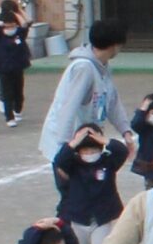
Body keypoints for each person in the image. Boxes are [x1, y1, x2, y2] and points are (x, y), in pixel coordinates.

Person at [39, 20, 127, 159]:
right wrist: (65, 148)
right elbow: (68, 107)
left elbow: (112, 103)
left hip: (85, 141)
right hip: (70, 142)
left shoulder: (103, 67)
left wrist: (125, 131)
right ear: (114, 45)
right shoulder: (84, 68)